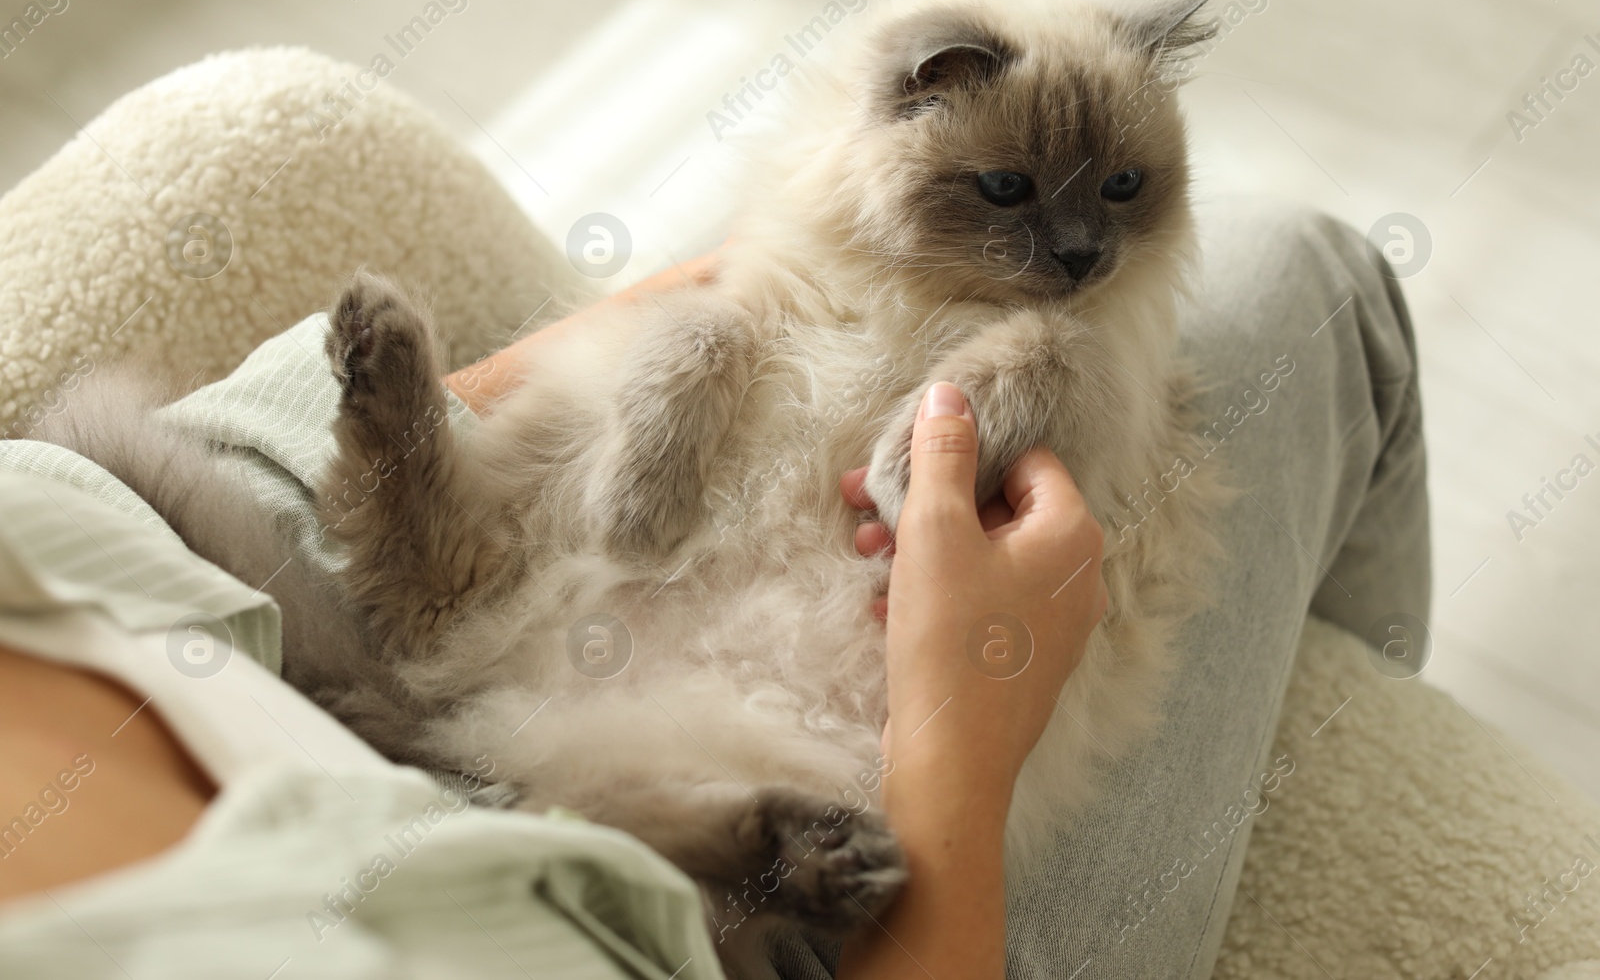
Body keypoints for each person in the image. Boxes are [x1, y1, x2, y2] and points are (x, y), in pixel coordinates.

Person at [0, 195, 1428, 979]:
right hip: (789, 889)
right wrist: (962, 754)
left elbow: (172, 492)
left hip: (355, 649)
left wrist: (589, 368)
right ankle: (1345, 762)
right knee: (1306, 278)